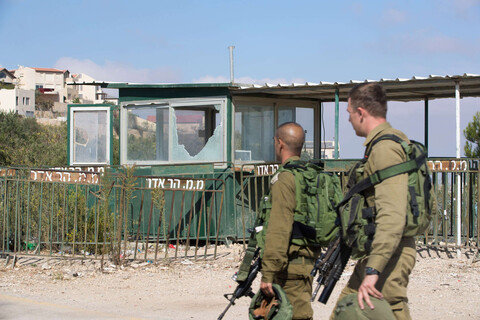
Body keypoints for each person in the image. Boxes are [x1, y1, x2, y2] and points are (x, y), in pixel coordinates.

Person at [330, 83, 416, 320]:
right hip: (381, 250)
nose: (348, 120)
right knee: (346, 309)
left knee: (389, 311)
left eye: (348, 113)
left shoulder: (385, 149)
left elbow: (392, 214)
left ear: (361, 112)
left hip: (389, 253)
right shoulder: (383, 145)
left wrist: (373, 269)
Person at [260, 122, 321, 320]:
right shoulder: (309, 175)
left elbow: (279, 229)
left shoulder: (285, 179)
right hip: (306, 261)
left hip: (289, 268)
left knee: (294, 316)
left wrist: (268, 273)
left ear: (279, 143)